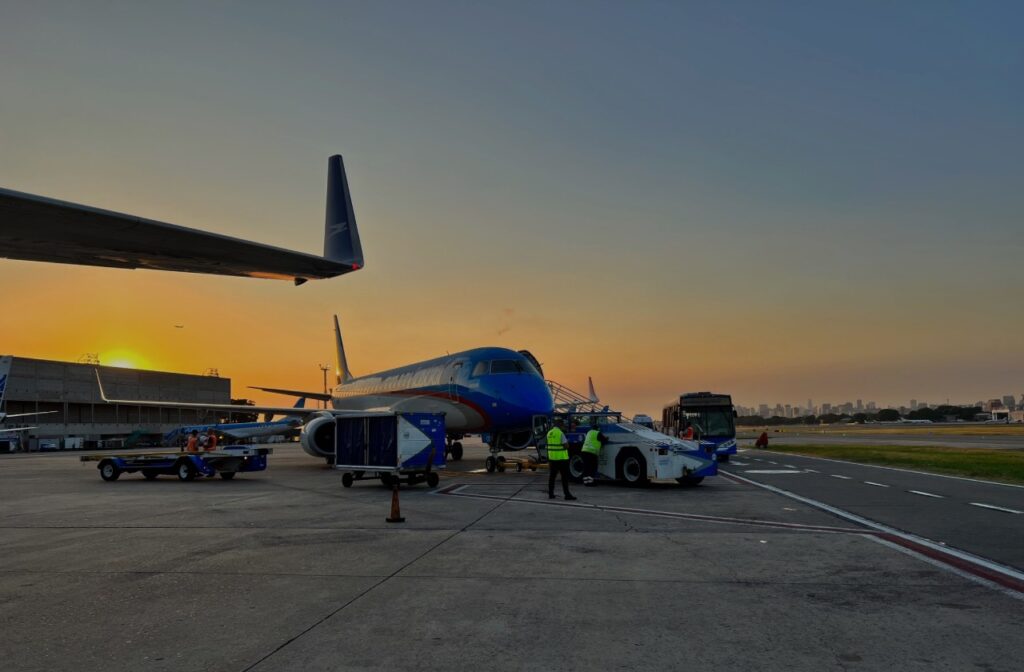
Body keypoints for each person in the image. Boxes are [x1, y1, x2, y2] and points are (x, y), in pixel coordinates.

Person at [546, 419, 576, 500]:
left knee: (552, 477)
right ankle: (567, 495)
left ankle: (551, 494)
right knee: (564, 478)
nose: (563, 427)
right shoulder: (560, 433)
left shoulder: (549, 433)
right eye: (563, 425)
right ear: (560, 425)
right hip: (562, 459)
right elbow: (566, 446)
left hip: (552, 459)